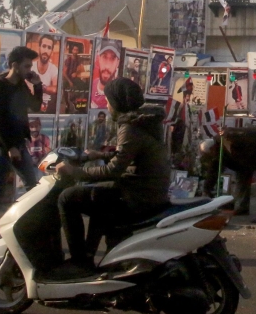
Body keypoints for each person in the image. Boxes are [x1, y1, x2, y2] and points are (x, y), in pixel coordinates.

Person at [54, 78, 170, 277]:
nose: (106, 106)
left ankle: (80, 261)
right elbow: (129, 155)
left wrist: (75, 172)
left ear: (117, 102)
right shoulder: (144, 122)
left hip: (137, 197)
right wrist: (98, 155)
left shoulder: (131, 128)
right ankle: (89, 257)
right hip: (147, 191)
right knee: (98, 195)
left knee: (68, 198)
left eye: (108, 101)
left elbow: (113, 170)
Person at [0, 46, 44, 243]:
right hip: (4, 146)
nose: (29, 70)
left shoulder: (21, 85)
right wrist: (10, 147)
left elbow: (35, 106)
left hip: (19, 143)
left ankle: (27, 230)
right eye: (26, 66)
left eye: (30, 66)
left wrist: (38, 85)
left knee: (32, 187)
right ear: (14, 65)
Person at [201, 126, 256, 223]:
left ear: (212, 148)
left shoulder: (228, 137)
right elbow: (213, 172)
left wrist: (229, 133)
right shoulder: (217, 152)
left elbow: (240, 134)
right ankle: (243, 207)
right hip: (246, 155)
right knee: (241, 176)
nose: (211, 157)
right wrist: (206, 189)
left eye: (209, 154)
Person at [90, 41, 121, 109]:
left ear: (117, 63)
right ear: (99, 59)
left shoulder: (117, 95)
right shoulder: (93, 84)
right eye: (104, 57)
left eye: (112, 59)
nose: (107, 66)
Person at [32, 34, 59, 113]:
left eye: (49, 48)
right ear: (39, 48)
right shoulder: (31, 67)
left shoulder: (53, 69)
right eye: (44, 46)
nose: (46, 51)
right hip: (32, 106)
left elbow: (55, 89)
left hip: (47, 108)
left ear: (52, 51)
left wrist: (40, 87)